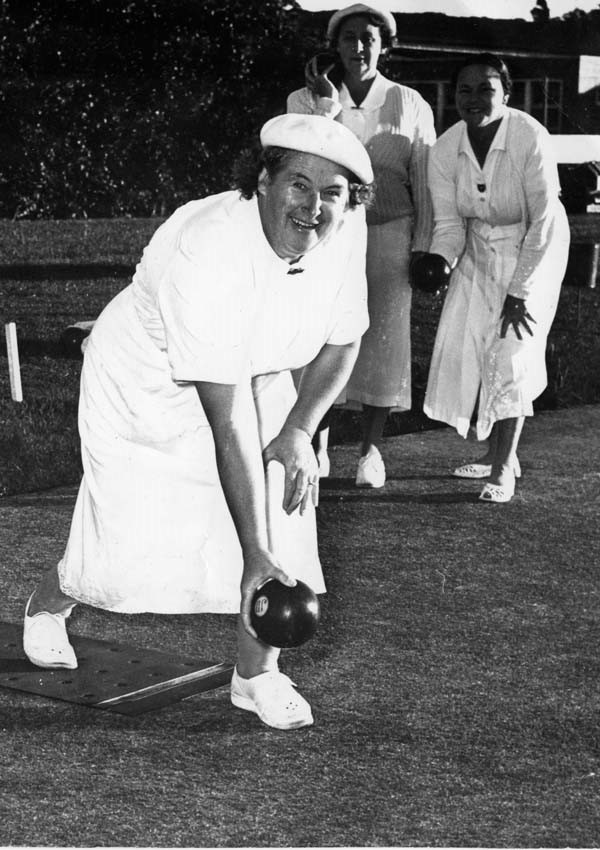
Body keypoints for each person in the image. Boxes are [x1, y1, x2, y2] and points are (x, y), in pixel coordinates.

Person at [22, 113, 374, 730]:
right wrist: (253, 551)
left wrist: (298, 428)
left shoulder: (344, 232)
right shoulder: (207, 246)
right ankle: (49, 604)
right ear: (262, 182)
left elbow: (344, 341)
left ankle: (255, 675)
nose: (314, 206)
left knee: (282, 510)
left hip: (258, 371)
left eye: (334, 193)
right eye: (298, 183)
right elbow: (227, 418)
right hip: (145, 381)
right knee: (129, 536)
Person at [287, 2, 435, 488]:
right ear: (336, 46)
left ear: (384, 46)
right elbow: (305, 159)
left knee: (384, 341)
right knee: (320, 334)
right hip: (329, 236)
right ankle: (317, 445)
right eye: (349, 38)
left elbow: (424, 179)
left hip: (392, 232)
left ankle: (371, 450)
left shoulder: (410, 104)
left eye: (368, 39)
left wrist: (425, 244)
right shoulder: (304, 100)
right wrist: (327, 106)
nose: (358, 48)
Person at [423, 53, 570, 503]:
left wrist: (521, 291)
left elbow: (543, 221)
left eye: (485, 88)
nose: (473, 98)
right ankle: (494, 453)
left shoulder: (530, 135)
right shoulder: (446, 148)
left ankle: (504, 466)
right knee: (473, 344)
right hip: (478, 247)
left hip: (536, 248)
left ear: (505, 93)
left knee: (511, 350)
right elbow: (449, 225)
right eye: (464, 90)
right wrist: (439, 261)